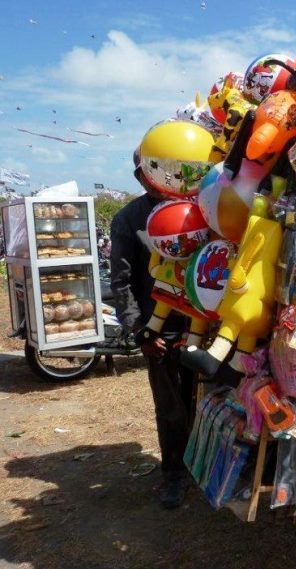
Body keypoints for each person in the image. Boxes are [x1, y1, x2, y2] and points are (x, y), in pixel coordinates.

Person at [110, 153, 194, 508]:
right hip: (159, 332)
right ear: (140, 176)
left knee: (205, 404)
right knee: (171, 409)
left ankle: (202, 469)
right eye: (151, 170)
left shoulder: (196, 209)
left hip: (200, 329)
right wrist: (141, 331)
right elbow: (121, 281)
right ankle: (173, 475)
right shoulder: (129, 219)